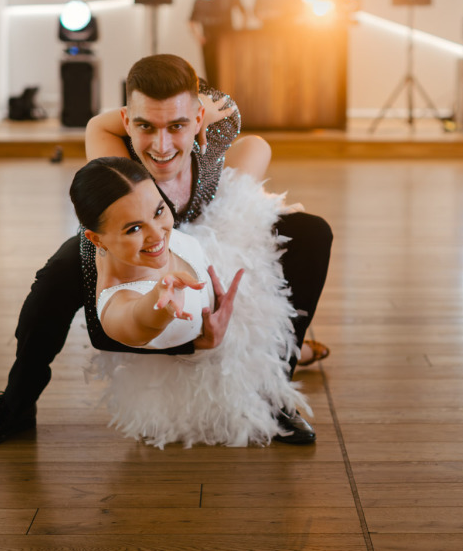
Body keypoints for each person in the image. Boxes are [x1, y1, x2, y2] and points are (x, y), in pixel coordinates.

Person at [0, 53, 332, 449]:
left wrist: (209, 116)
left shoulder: (216, 137)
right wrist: (181, 332)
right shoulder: (117, 163)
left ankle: (276, 391)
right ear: (126, 122)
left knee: (311, 232)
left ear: (199, 120)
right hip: (136, 242)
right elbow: (111, 318)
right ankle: (16, 404)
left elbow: (237, 121)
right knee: (57, 275)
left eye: (177, 125)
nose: (161, 145)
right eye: (145, 126)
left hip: (206, 227)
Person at [72, 156, 309, 448]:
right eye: (133, 229)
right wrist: (159, 303)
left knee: (265, 163)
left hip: (230, 280)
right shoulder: (117, 301)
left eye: (159, 211)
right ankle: (300, 357)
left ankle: (302, 350)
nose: (157, 234)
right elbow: (134, 320)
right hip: (218, 379)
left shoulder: (138, 239)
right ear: (97, 240)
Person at [188, 0, 245, 89]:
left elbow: (243, 13)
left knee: (228, 71)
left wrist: (239, 35)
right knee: (211, 72)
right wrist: (198, 37)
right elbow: (191, 20)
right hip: (209, 40)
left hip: (227, 39)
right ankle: (213, 97)